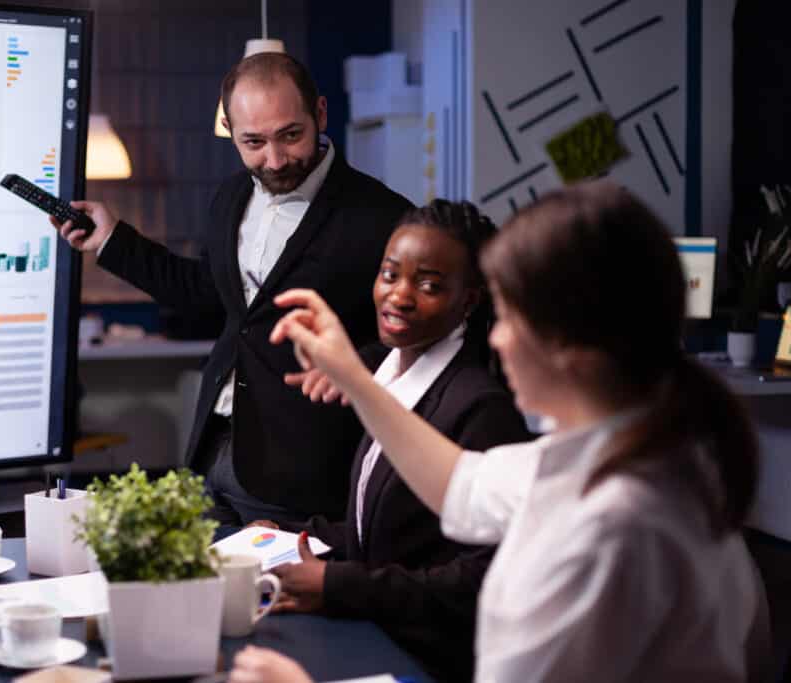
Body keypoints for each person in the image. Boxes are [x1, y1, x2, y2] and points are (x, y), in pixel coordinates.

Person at [235, 182, 767, 682]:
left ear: (571, 347)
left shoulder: (613, 529)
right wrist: (353, 374)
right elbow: (460, 484)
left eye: (509, 317)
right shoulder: (598, 456)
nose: (499, 338)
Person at [54, 52, 411, 526]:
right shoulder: (230, 196)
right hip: (211, 450)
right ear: (229, 129)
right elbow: (208, 294)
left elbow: (427, 331)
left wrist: (359, 366)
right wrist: (112, 241)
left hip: (300, 473)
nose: (276, 159)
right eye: (254, 142)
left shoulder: (384, 216)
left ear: (320, 114)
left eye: (291, 135)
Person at [249, 200, 530, 680]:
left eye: (429, 286)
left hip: (427, 658)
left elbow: (482, 578)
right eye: (389, 274)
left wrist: (341, 584)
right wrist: (292, 536)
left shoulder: (480, 408)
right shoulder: (395, 375)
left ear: (469, 300)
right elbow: (385, 530)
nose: (399, 296)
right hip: (374, 631)